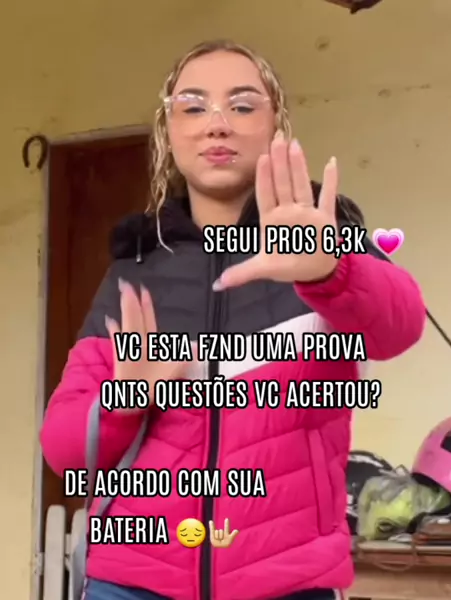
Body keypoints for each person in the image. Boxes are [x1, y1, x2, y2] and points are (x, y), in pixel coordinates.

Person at [40, 39, 426, 600]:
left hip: (289, 583)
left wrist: (330, 271)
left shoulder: (324, 243)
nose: (217, 124)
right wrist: (126, 397)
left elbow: (401, 326)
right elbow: (65, 450)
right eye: (193, 106)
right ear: (170, 131)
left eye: (242, 105)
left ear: (276, 124)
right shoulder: (136, 268)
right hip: (131, 583)